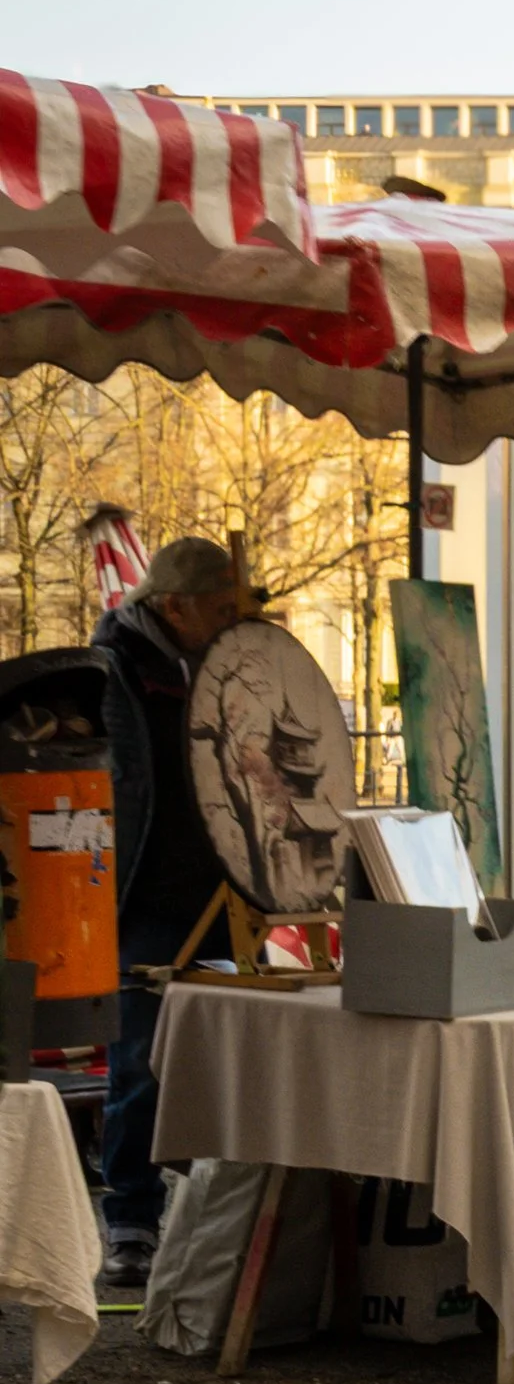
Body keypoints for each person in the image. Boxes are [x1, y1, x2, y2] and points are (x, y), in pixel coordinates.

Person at [92, 537, 243, 1285]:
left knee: (233, 1052)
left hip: (225, 890)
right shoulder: (115, 669)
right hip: (146, 893)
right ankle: (130, 1219)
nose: (229, 622)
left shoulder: (225, 658)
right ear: (174, 605)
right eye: (219, 609)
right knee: (142, 1061)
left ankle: (214, 1215)